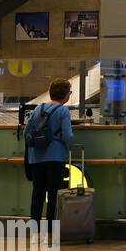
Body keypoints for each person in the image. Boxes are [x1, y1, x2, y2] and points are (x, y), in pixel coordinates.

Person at [25, 78, 73, 225]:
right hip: (55, 157)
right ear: (66, 95)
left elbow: (26, 132)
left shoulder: (39, 108)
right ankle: (52, 226)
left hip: (36, 157)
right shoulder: (63, 110)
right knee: (53, 193)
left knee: (37, 192)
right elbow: (67, 135)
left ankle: (35, 226)